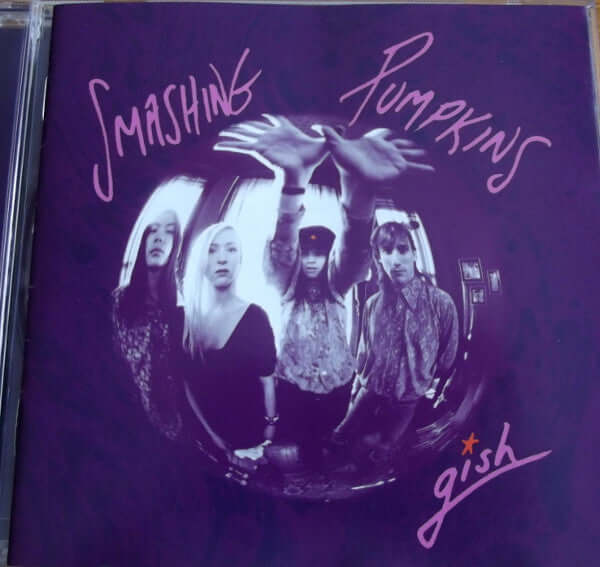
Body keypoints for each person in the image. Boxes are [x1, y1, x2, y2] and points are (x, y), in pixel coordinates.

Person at [215, 115, 434, 463]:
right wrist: (292, 183)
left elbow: (353, 253)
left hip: (338, 385)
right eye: (307, 252)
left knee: (330, 448)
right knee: (295, 451)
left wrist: (363, 192)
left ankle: (358, 183)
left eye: (319, 253)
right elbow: (282, 251)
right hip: (292, 386)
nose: (312, 259)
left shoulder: (336, 283)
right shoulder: (287, 284)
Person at [333, 221, 460, 461]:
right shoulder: (372, 305)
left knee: (384, 450)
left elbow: (447, 358)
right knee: (341, 436)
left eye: (402, 249)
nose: (396, 260)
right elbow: (364, 353)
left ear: (414, 253)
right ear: (379, 258)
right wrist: (356, 390)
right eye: (387, 251)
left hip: (408, 400)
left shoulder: (441, 303)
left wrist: (420, 377)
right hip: (368, 392)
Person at [181, 222, 277, 459]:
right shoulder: (182, 319)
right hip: (201, 442)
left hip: (249, 441)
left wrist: (270, 427)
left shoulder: (255, 317)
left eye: (231, 249)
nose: (222, 258)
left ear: (240, 260)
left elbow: (267, 382)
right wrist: (211, 438)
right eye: (212, 250)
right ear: (200, 259)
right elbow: (185, 384)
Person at [112, 209, 184, 440]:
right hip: (123, 421)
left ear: (176, 245)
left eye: (169, 232)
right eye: (152, 230)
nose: (159, 238)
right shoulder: (119, 300)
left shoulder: (182, 309)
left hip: (170, 430)